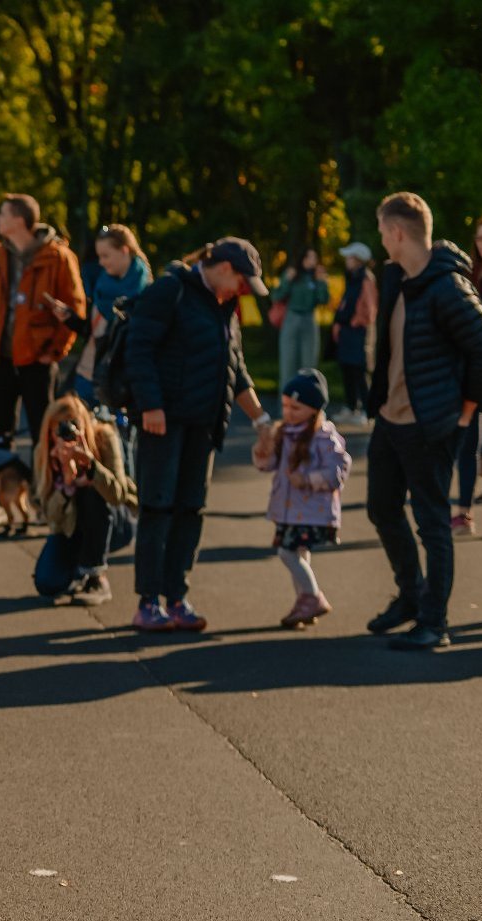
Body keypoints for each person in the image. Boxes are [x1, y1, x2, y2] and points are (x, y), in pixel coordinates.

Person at [125, 238, 274, 632]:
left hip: (204, 424)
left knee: (191, 509)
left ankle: (177, 598)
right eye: (243, 282)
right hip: (164, 420)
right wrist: (150, 405)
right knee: (158, 507)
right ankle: (148, 602)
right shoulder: (170, 290)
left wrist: (261, 421)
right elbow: (138, 348)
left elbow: (235, 368)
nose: (244, 292)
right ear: (224, 267)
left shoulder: (225, 306)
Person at [364, 192, 482, 651]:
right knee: (381, 507)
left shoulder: (448, 287)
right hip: (390, 419)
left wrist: (465, 412)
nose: (381, 239)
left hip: (428, 423)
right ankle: (412, 596)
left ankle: (434, 623)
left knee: (432, 522)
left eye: (382, 230)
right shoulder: (397, 277)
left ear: (398, 232)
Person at [0, 193, 86, 447]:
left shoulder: (58, 257)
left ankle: (43, 485)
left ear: (18, 220)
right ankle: (3, 485)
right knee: (1, 432)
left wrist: (56, 350)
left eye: (2, 214)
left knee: (43, 431)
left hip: (38, 357)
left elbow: (75, 307)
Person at [252, 369, 350, 629]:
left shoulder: (324, 437)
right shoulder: (285, 432)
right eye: (285, 406)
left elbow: (337, 471)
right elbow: (270, 464)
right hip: (288, 509)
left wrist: (308, 480)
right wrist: (263, 452)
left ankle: (312, 597)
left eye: (296, 407)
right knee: (300, 555)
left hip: (311, 511)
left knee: (287, 553)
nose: (288, 412)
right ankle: (303, 606)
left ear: (314, 409)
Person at [31, 394, 136, 605]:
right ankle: (79, 570)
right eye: (59, 428)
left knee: (91, 492)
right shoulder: (44, 452)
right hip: (69, 528)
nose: (67, 433)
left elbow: (118, 496)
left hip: (115, 524)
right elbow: (50, 518)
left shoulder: (104, 437)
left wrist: (91, 467)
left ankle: (96, 577)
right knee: (47, 583)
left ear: (84, 422)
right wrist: (66, 486)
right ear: (50, 430)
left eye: (73, 425)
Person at [54, 223, 151, 404]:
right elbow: (93, 332)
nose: (101, 262)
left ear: (124, 250)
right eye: (99, 256)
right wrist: (70, 319)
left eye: (106, 256)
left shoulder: (146, 294)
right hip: (89, 374)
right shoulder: (101, 287)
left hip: (123, 382)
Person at [453, 214, 482, 532]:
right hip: (474, 371)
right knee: (468, 443)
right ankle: (464, 511)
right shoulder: (468, 278)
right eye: (480, 238)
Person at [331, 241, 378, 425]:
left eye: (350, 257)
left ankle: (367, 411)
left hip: (359, 332)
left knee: (360, 371)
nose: (347, 261)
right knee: (348, 369)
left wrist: (354, 321)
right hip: (347, 332)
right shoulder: (351, 277)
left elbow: (369, 309)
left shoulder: (366, 278)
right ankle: (352, 407)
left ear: (358, 260)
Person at [272, 247, 330, 389]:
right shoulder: (292, 274)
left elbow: (323, 300)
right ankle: (284, 409)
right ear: (302, 259)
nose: (312, 261)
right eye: (309, 257)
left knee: (309, 368)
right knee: (288, 367)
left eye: (314, 258)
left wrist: (322, 282)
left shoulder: (316, 277)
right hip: (291, 319)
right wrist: (287, 280)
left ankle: (307, 408)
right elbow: (276, 296)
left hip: (309, 321)